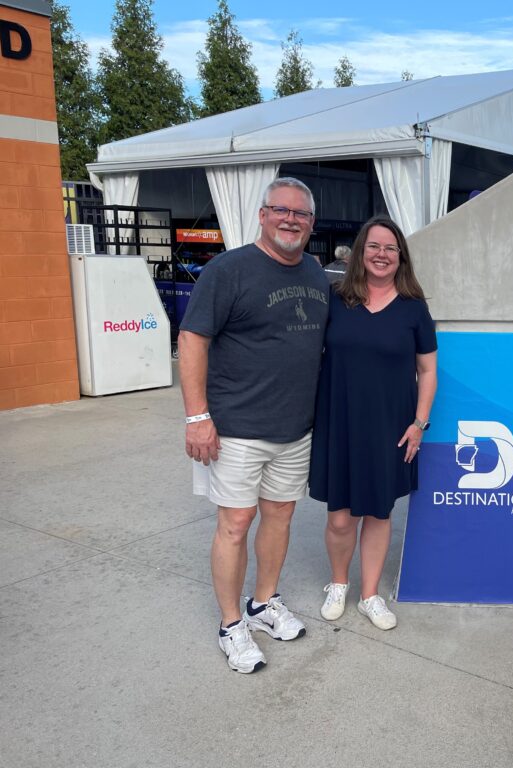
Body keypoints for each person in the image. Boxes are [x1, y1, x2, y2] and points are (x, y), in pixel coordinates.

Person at [178, 177, 330, 674]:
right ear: (262, 216)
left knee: (281, 516)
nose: (291, 219)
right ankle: (231, 626)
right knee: (236, 523)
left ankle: (263, 603)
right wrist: (198, 416)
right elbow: (193, 340)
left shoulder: (314, 271)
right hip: (236, 428)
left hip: (294, 428)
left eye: (301, 214)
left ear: (311, 222)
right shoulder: (228, 270)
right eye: (280, 210)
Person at [310, 215, 438, 631]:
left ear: (400, 256)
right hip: (339, 421)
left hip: (390, 426)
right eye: (374, 247)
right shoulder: (334, 299)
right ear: (360, 253)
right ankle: (339, 583)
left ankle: (369, 595)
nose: (382, 255)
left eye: (390, 248)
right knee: (340, 516)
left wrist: (419, 423)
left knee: (379, 513)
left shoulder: (413, 309)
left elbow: (428, 370)